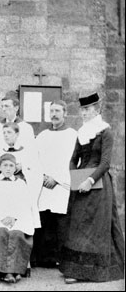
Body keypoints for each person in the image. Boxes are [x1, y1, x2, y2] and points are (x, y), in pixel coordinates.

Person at [59, 92, 124, 284]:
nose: (84, 113)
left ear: (97, 110)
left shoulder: (106, 131)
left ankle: (91, 271)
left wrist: (89, 180)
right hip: (80, 183)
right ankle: (74, 269)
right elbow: (73, 159)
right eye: (82, 109)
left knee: (95, 228)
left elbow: (105, 163)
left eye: (87, 109)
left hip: (99, 184)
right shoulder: (82, 132)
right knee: (77, 226)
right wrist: (75, 177)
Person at [32, 100, 77, 267]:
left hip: (62, 185)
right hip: (44, 185)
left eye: (58, 111)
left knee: (61, 222)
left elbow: (74, 161)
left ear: (65, 113)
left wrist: (56, 179)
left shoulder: (73, 135)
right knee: (45, 220)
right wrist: (43, 177)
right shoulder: (42, 136)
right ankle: (45, 258)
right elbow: (35, 160)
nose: (54, 114)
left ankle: (62, 258)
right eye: (51, 111)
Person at [0, 153, 34, 284]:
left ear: (15, 168)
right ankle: (6, 272)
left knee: (17, 233)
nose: (8, 168)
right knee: (1, 232)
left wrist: (15, 217)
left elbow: (24, 204)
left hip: (16, 219)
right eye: (5, 165)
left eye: (11, 166)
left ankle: (16, 269)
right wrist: (2, 218)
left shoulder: (21, 184)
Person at [0, 122, 43, 229]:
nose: (6, 135)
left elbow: (35, 169)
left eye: (9, 132)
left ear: (17, 134)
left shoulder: (26, 151)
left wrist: (23, 166)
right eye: (4, 133)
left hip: (23, 189)